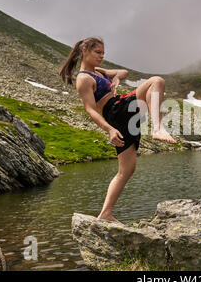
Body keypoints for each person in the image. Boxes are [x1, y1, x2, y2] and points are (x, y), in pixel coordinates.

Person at [59, 37, 176, 223]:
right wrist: (109, 130)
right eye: (98, 52)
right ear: (84, 50)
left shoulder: (98, 71)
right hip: (115, 111)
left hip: (122, 115)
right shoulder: (83, 78)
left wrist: (115, 78)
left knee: (126, 170)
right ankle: (158, 128)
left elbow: (124, 72)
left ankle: (105, 213)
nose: (101, 56)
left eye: (103, 53)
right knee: (157, 81)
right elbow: (89, 109)